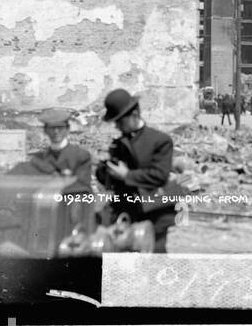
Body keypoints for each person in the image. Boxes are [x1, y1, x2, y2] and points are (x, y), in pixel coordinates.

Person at [94, 89, 177, 254]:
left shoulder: (160, 141)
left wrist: (127, 175)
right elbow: (109, 181)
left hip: (154, 213)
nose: (117, 126)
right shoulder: (118, 143)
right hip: (125, 212)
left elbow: (159, 176)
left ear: (135, 114)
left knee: (153, 260)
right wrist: (104, 170)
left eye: (120, 121)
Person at [12, 108, 94, 187]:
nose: (56, 131)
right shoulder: (38, 159)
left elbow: (83, 189)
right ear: (45, 130)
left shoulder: (81, 157)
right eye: (52, 128)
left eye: (60, 128)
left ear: (68, 129)